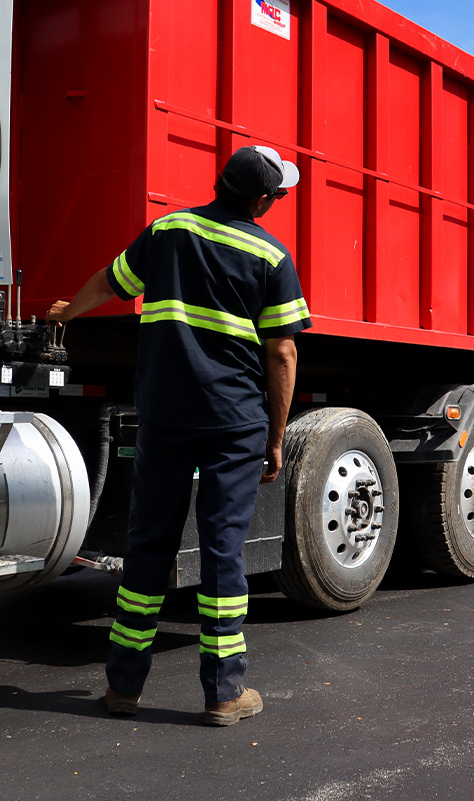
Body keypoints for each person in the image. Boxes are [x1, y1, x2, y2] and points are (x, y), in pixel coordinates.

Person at [45, 144, 311, 726]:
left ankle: (122, 688)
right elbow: (283, 350)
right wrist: (275, 434)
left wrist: (68, 314)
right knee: (221, 552)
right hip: (234, 421)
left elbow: (112, 283)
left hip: (163, 415)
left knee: (148, 546)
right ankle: (222, 694)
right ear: (264, 200)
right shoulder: (270, 255)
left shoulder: (168, 230)